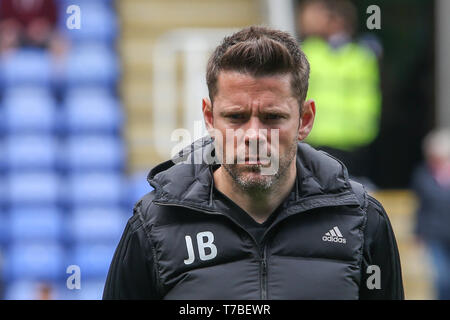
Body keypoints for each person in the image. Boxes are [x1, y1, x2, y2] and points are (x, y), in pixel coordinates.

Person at [103, 26, 403, 300]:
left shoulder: (363, 220)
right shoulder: (155, 225)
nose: (255, 136)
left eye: (273, 118)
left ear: (305, 119)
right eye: (236, 117)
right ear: (209, 118)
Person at [297, 0, 382, 184]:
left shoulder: (361, 56)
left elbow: (368, 97)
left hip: (351, 139)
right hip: (317, 136)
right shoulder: (309, 52)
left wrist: (363, 128)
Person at [411, 128, 450, 300]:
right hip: (434, 235)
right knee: (442, 278)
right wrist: (418, 233)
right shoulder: (423, 174)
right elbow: (421, 207)